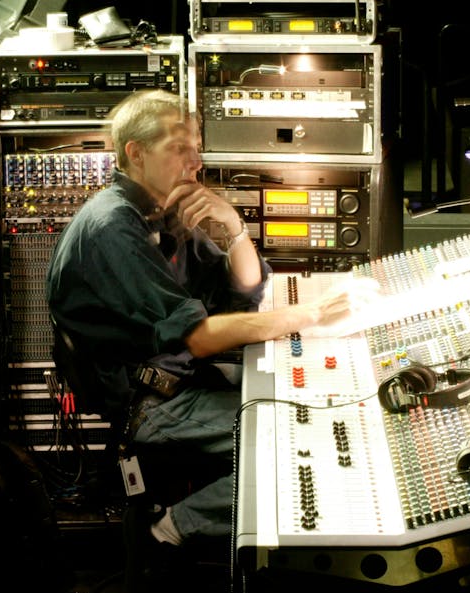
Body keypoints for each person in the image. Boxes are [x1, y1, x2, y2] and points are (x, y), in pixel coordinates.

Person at [45, 89, 364, 552]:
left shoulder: (160, 210)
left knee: (324, 410)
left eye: (196, 146)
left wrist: (233, 225)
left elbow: (243, 291)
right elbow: (198, 337)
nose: (195, 161)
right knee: (304, 443)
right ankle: (171, 530)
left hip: (183, 381)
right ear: (136, 153)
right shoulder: (113, 227)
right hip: (155, 404)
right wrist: (309, 315)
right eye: (179, 148)